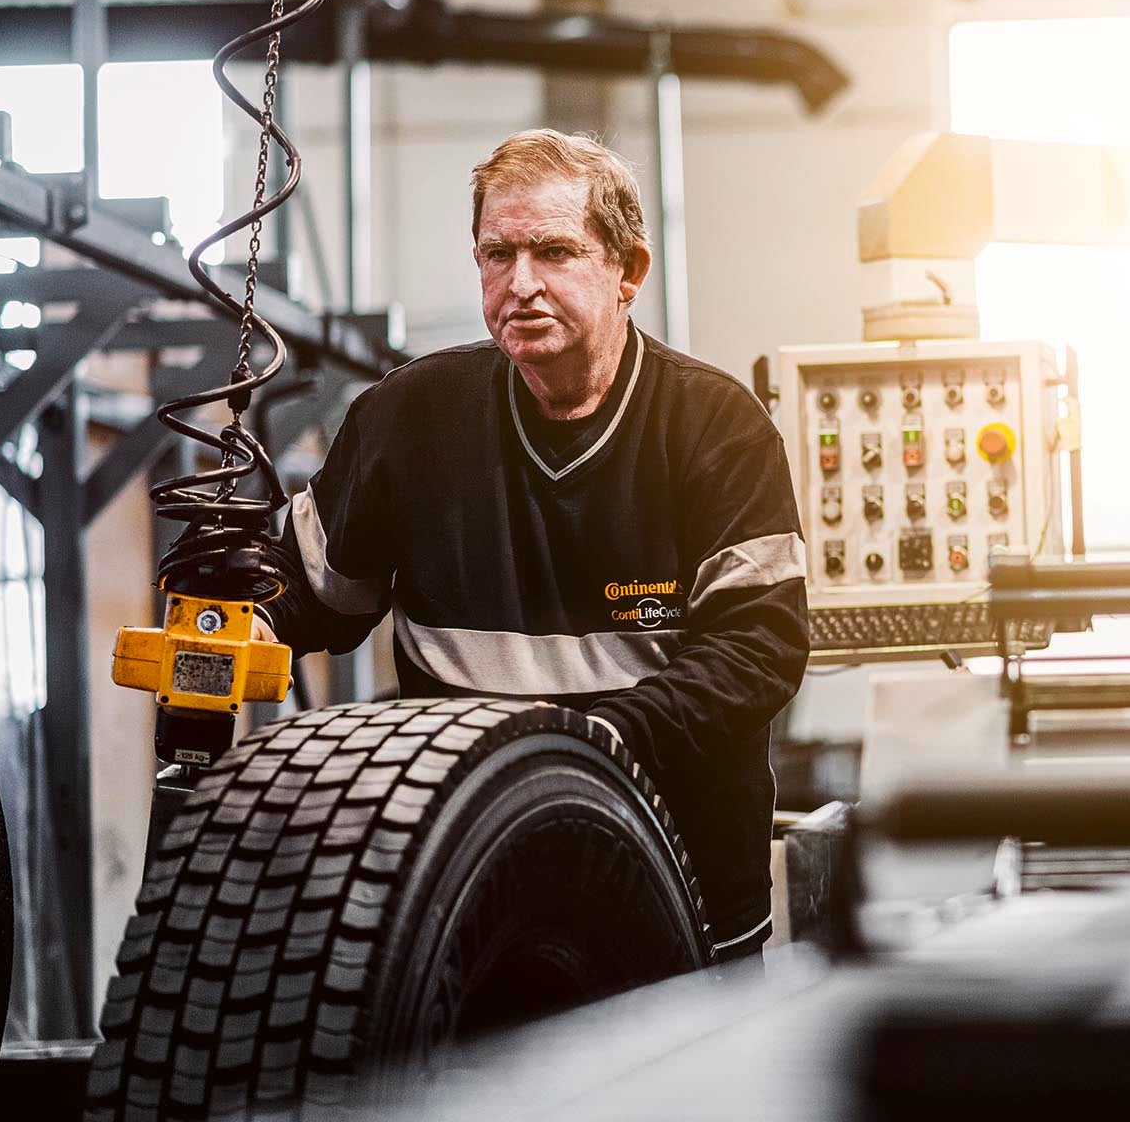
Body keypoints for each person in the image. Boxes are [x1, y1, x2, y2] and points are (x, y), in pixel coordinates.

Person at [257, 128, 809, 962]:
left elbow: (758, 650)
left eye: (553, 251)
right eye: (497, 254)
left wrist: (584, 746)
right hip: (464, 897)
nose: (520, 284)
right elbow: (318, 600)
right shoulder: (408, 419)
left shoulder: (717, 428)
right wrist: (235, 616)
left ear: (629, 271)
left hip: (678, 895)